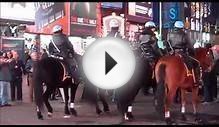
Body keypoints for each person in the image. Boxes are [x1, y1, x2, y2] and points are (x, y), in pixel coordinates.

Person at [167, 20, 201, 86]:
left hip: (171, 53)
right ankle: (195, 80)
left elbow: (167, 43)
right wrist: (193, 52)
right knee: (196, 63)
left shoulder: (169, 34)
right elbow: (189, 45)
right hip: (182, 53)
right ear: (182, 27)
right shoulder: (184, 34)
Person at [138, 21, 163, 95]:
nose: (154, 30)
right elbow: (155, 48)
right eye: (153, 28)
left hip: (142, 55)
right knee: (157, 70)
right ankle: (155, 86)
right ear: (150, 28)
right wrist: (161, 55)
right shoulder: (152, 37)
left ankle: (144, 88)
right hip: (151, 56)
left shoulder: (140, 36)